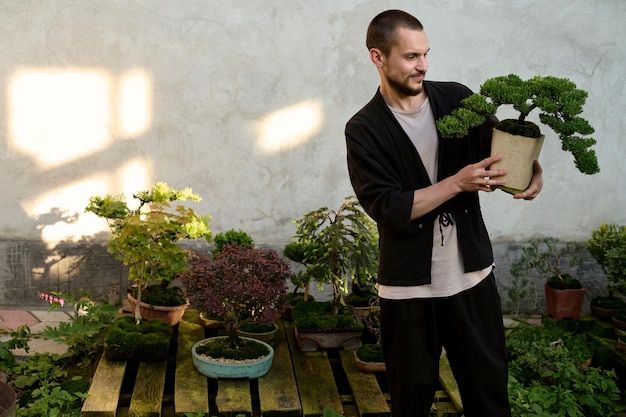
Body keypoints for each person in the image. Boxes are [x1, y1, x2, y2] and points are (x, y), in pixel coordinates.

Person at [345, 9, 543, 417]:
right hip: (408, 290)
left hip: (471, 277)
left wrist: (532, 168)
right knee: (411, 398)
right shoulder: (364, 129)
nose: (424, 66)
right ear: (377, 57)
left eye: (426, 54)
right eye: (411, 57)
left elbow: (501, 145)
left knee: (488, 391)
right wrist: (456, 182)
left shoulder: (456, 98)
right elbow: (386, 206)